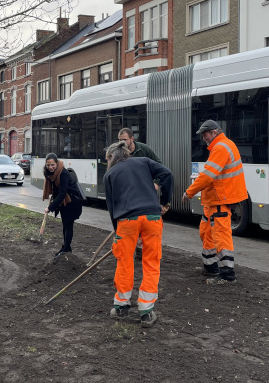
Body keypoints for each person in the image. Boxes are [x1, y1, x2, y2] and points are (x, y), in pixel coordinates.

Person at [104, 141, 173, 328]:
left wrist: (117, 231)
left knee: (124, 261)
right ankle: (146, 311)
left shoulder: (110, 174)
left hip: (127, 221)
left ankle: (121, 306)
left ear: (111, 157)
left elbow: (111, 207)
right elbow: (167, 174)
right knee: (151, 262)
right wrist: (165, 202)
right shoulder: (143, 161)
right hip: (152, 217)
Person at [182, 120, 248, 285]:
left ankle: (227, 275)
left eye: (205, 134)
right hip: (214, 200)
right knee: (206, 232)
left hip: (220, 199)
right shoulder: (223, 146)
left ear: (213, 132)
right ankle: (210, 267)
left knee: (221, 236)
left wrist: (190, 192)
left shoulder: (220, 148)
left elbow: (208, 176)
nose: (203, 138)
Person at [118, 127, 163, 260]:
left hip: (146, 191)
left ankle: (145, 248)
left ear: (132, 139)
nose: (122, 143)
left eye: (124, 140)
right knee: (132, 220)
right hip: (130, 192)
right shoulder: (120, 151)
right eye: (119, 140)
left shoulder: (143, 150)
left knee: (146, 220)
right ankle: (134, 247)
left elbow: (160, 165)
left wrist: (156, 182)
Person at [42, 153, 84, 258]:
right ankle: (65, 247)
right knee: (65, 225)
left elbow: (62, 193)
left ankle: (66, 249)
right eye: (48, 165)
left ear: (57, 163)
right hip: (64, 203)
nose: (50, 167)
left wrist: (50, 208)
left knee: (68, 226)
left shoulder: (63, 174)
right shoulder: (51, 174)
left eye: (52, 165)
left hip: (72, 202)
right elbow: (57, 190)